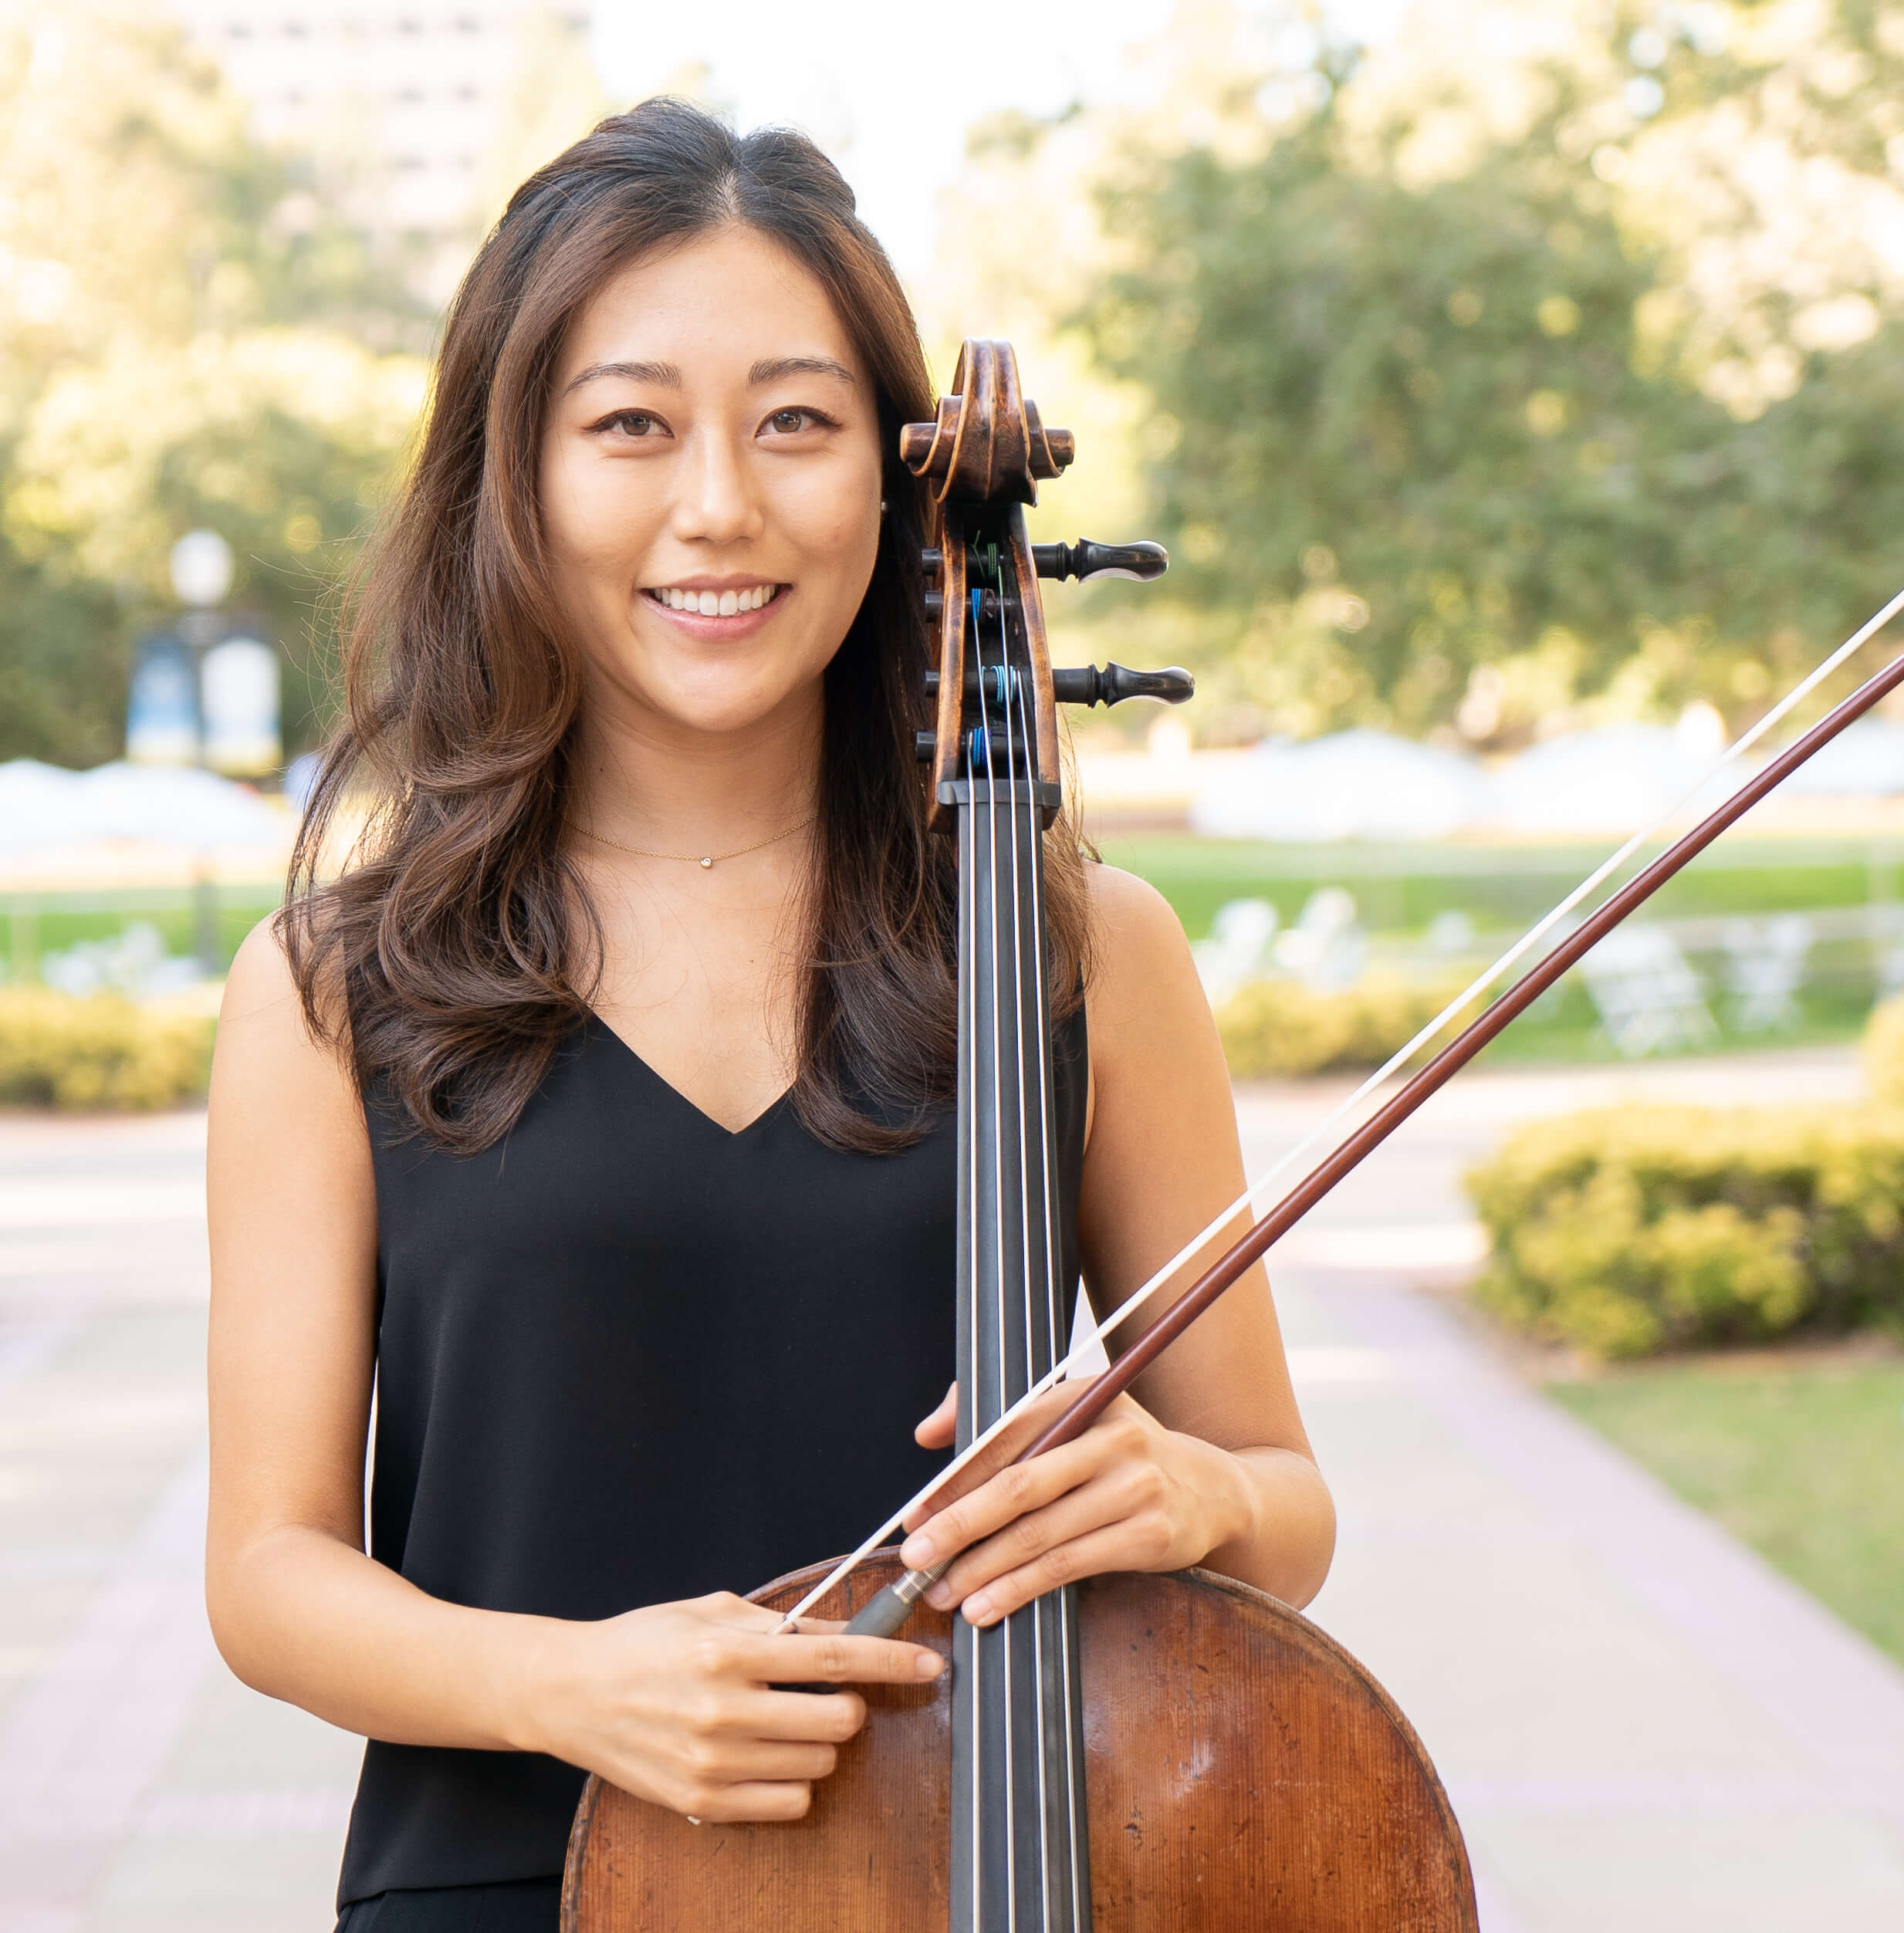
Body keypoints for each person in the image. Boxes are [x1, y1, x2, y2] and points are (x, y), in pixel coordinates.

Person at [205, 98, 1334, 1933]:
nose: (718, 505)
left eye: (795, 421)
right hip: (512, 1884)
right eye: (630, 424)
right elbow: (267, 1572)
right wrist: (569, 1688)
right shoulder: (338, 987)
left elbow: (1286, 1511)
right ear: (519, 474)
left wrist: (1190, 1493)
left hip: (1005, 1863)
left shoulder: (1081, 951)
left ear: (898, 481)